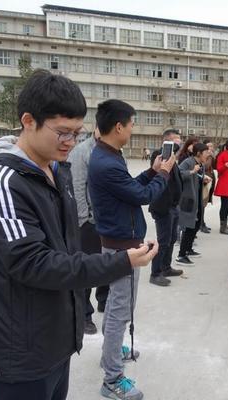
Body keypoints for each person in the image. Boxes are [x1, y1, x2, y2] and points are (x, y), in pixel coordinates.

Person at [0, 71, 158, 400]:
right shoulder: (1, 182)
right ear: (28, 121)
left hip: (58, 340)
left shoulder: (58, 170)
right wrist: (118, 262)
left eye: (77, 133)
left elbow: (68, 251)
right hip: (22, 350)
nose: (70, 142)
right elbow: (33, 264)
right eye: (62, 133)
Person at [88, 99, 175, 400]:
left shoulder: (109, 155)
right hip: (121, 247)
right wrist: (163, 174)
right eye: (132, 123)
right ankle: (112, 378)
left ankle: (110, 353)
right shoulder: (106, 161)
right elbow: (142, 196)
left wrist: (152, 172)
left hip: (121, 242)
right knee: (119, 311)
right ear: (119, 126)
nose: (133, 129)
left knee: (116, 306)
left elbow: (130, 190)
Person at [67, 128, 110, 334]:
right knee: (87, 267)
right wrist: (83, 220)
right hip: (89, 222)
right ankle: (84, 314)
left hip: (107, 220)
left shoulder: (112, 150)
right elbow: (77, 186)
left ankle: (103, 300)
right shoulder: (82, 151)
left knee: (106, 263)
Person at [148, 128, 184, 287]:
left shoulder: (174, 157)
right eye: (176, 139)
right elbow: (158, 175)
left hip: (173, 206)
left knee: (172, 238)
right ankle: (155, 273)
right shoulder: (159, 155)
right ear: (167, 140)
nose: (179, 141)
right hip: (162, 206)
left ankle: (166, 267)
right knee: (163, 241)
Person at [176, 143, 211, 266]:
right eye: (206, 152)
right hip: (188, 199)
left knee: (196, 225)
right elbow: (178, 174)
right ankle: (181, 255)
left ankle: (188, 249)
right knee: (189, 226)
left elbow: (197, 177)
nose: (208, 154)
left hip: (197, 199)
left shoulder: (200, 164)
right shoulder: (188, 162)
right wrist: (191, 171)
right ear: (198, 153)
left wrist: (203, 179)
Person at [200, 139, 216, 233]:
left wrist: (212, 157)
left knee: (205, 204)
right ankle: (200, 224)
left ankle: (202, 222)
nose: (211, 148)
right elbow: (205, 167)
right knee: (202, 203)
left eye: (211, 146)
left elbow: (216, 166)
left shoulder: (210, 156)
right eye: (208, 146)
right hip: (204, 181)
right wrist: (209, 156)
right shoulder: (202, 156)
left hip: (210, 180)